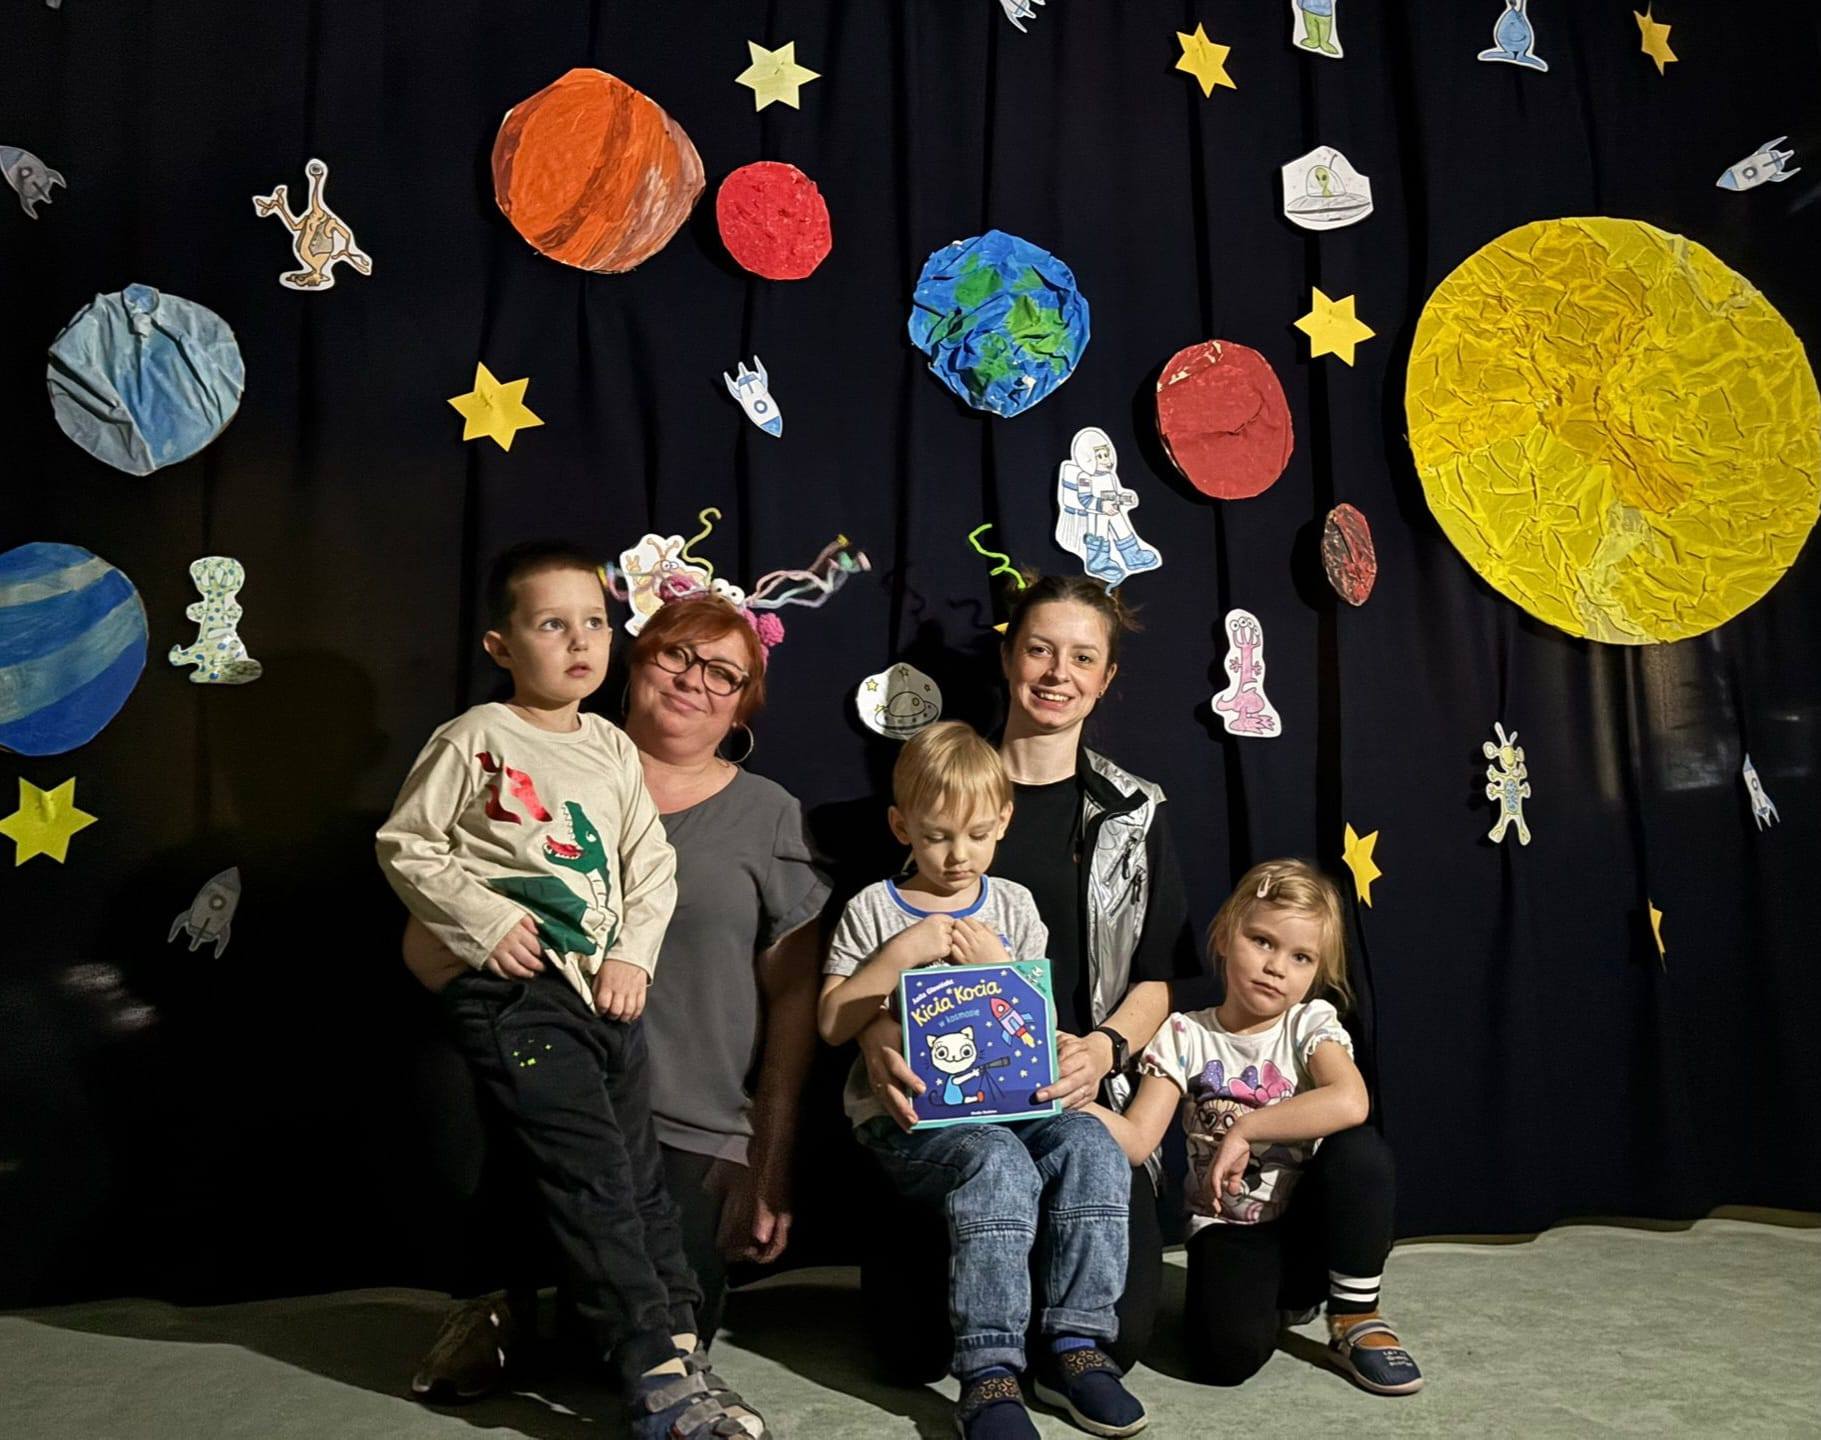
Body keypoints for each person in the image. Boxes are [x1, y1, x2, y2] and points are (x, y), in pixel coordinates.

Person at [375, 541, 770, 1440]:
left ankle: (679, 1347)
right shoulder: (476, 738)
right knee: (590, 1179)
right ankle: (654, 1378)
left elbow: (650, 866)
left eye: (594, 622)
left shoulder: (608, 748)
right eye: (552, 625)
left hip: (604, 1001)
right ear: (502, 645)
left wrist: (632, 955)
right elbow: (407, 844)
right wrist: (485, 923)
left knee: (637, 1182)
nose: (580, 641)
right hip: (518, 999)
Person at [855, 575, 1203, 1377]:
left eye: (1081, 657)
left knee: (1115, 1342)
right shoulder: (937, 784)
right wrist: (875, 1034)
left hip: (1074, 1103)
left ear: (1105, 678)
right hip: (947, 1107)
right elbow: (874, 942)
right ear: (1009, 657)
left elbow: (1159, 978)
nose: (1057, 673)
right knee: (912, 1353)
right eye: (1040, 650)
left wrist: (1104, 1049)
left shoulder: (1133, 813)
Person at [819, 722, 1146, 1440]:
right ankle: (988, 1371)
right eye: (936, 837)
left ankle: (1075, 1345)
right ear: (901, 828)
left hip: (1016, 1107)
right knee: (996, 1161)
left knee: (1091, 1144)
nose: (956, 855)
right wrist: (899, 954)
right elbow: (833, 1021)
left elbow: (1036, 1026)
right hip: (912, 1124)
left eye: (974, 835)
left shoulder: (1013, 908)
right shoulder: (873, 908)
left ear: (1002, 822)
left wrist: (999, 967)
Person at [1091, 860, 1423, 1394]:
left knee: (1360, 1153)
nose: (1276, 967)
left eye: (1300, 957)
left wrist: (1245, 1130)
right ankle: (1276, 1300)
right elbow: (1136, 1140)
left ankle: (1355, 1317)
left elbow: (1351, 1099)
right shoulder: (1183, 1034)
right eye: (1262, 941)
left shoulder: (1309, 1023)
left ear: (1316, 971)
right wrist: (1062, 1102)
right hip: (1230, 1228)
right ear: (1225, 937)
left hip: (1311, 1224)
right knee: (1223, 1360)